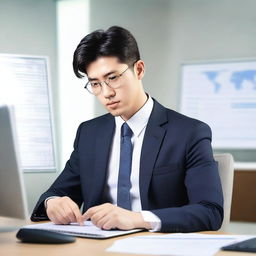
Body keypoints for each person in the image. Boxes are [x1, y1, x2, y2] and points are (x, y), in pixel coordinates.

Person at [31, 26, 223, 233]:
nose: (106, 93)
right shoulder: (89, 133)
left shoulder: (189, 133)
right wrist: (53, 202)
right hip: (96, 247)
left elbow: (209, 211)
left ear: (139, 69)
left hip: (158, 246)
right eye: (95, 84)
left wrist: (138, 219)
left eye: (113, 78)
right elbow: (58, 191)